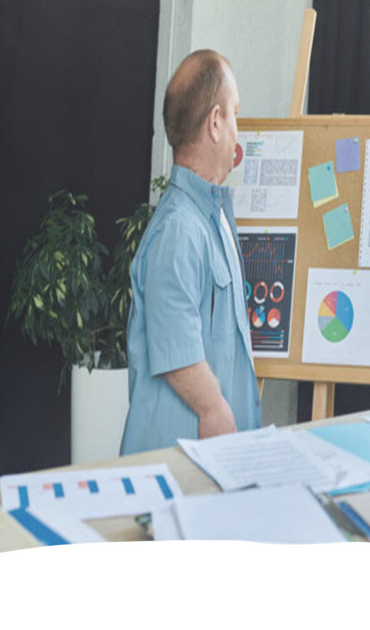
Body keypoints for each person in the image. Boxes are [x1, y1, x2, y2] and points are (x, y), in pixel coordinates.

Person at [120, 50, 261, 454]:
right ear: (216, 123)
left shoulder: (210, 217)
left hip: (207, 463)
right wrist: (214, 407)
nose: (238, 128)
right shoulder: (179, 228)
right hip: (177, 469)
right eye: (234, 114)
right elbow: (176, 342)